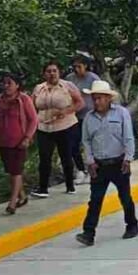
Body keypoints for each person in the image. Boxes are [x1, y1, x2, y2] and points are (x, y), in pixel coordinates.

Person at [75, 80, 138, 246]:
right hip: (99, 165)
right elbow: (86, 141)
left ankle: (131, 225)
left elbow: (128, 137)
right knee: (95, 200)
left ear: (108, 98)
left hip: (119, 162)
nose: (97, 102)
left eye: (100, 98)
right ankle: (88, 233)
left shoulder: (121, 113)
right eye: (94, 98)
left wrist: (128, 158)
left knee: (125, 197)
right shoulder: (89, 118)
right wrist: (90, 161)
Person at [0, 72, 37, 215]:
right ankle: (23, 196)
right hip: (2, 141)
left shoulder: (24, 99)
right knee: (11, 171)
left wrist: (27, 137)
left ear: (17, 85)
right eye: (4, 83)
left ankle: (12, 203)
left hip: (19, 142)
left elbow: (33, 120)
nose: (6, 86)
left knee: (16, 171)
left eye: (9, 83)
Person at [31, 61, 85, 198]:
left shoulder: (67, 86)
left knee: (66, 155)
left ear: (59, 72)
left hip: (65, 125)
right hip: (44, 126)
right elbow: (31, 107)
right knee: (44, 157)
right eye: (48, 71)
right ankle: (43, 188)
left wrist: (66, 111)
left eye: (54, 71)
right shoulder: (39, 88)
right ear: (44, 74)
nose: (52, 74)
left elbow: (80, 103)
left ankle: (69, 185)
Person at [65, 56, 100, 185]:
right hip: (75, 117)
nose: (76, 69)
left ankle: (94, 171)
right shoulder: (70, 79)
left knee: (90, 145)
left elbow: (100, 96)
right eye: (74, 67)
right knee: (73, 144)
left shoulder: (93, 79)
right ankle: (80, 170)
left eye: (79, 66)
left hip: (90, 116)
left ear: (86, 66)